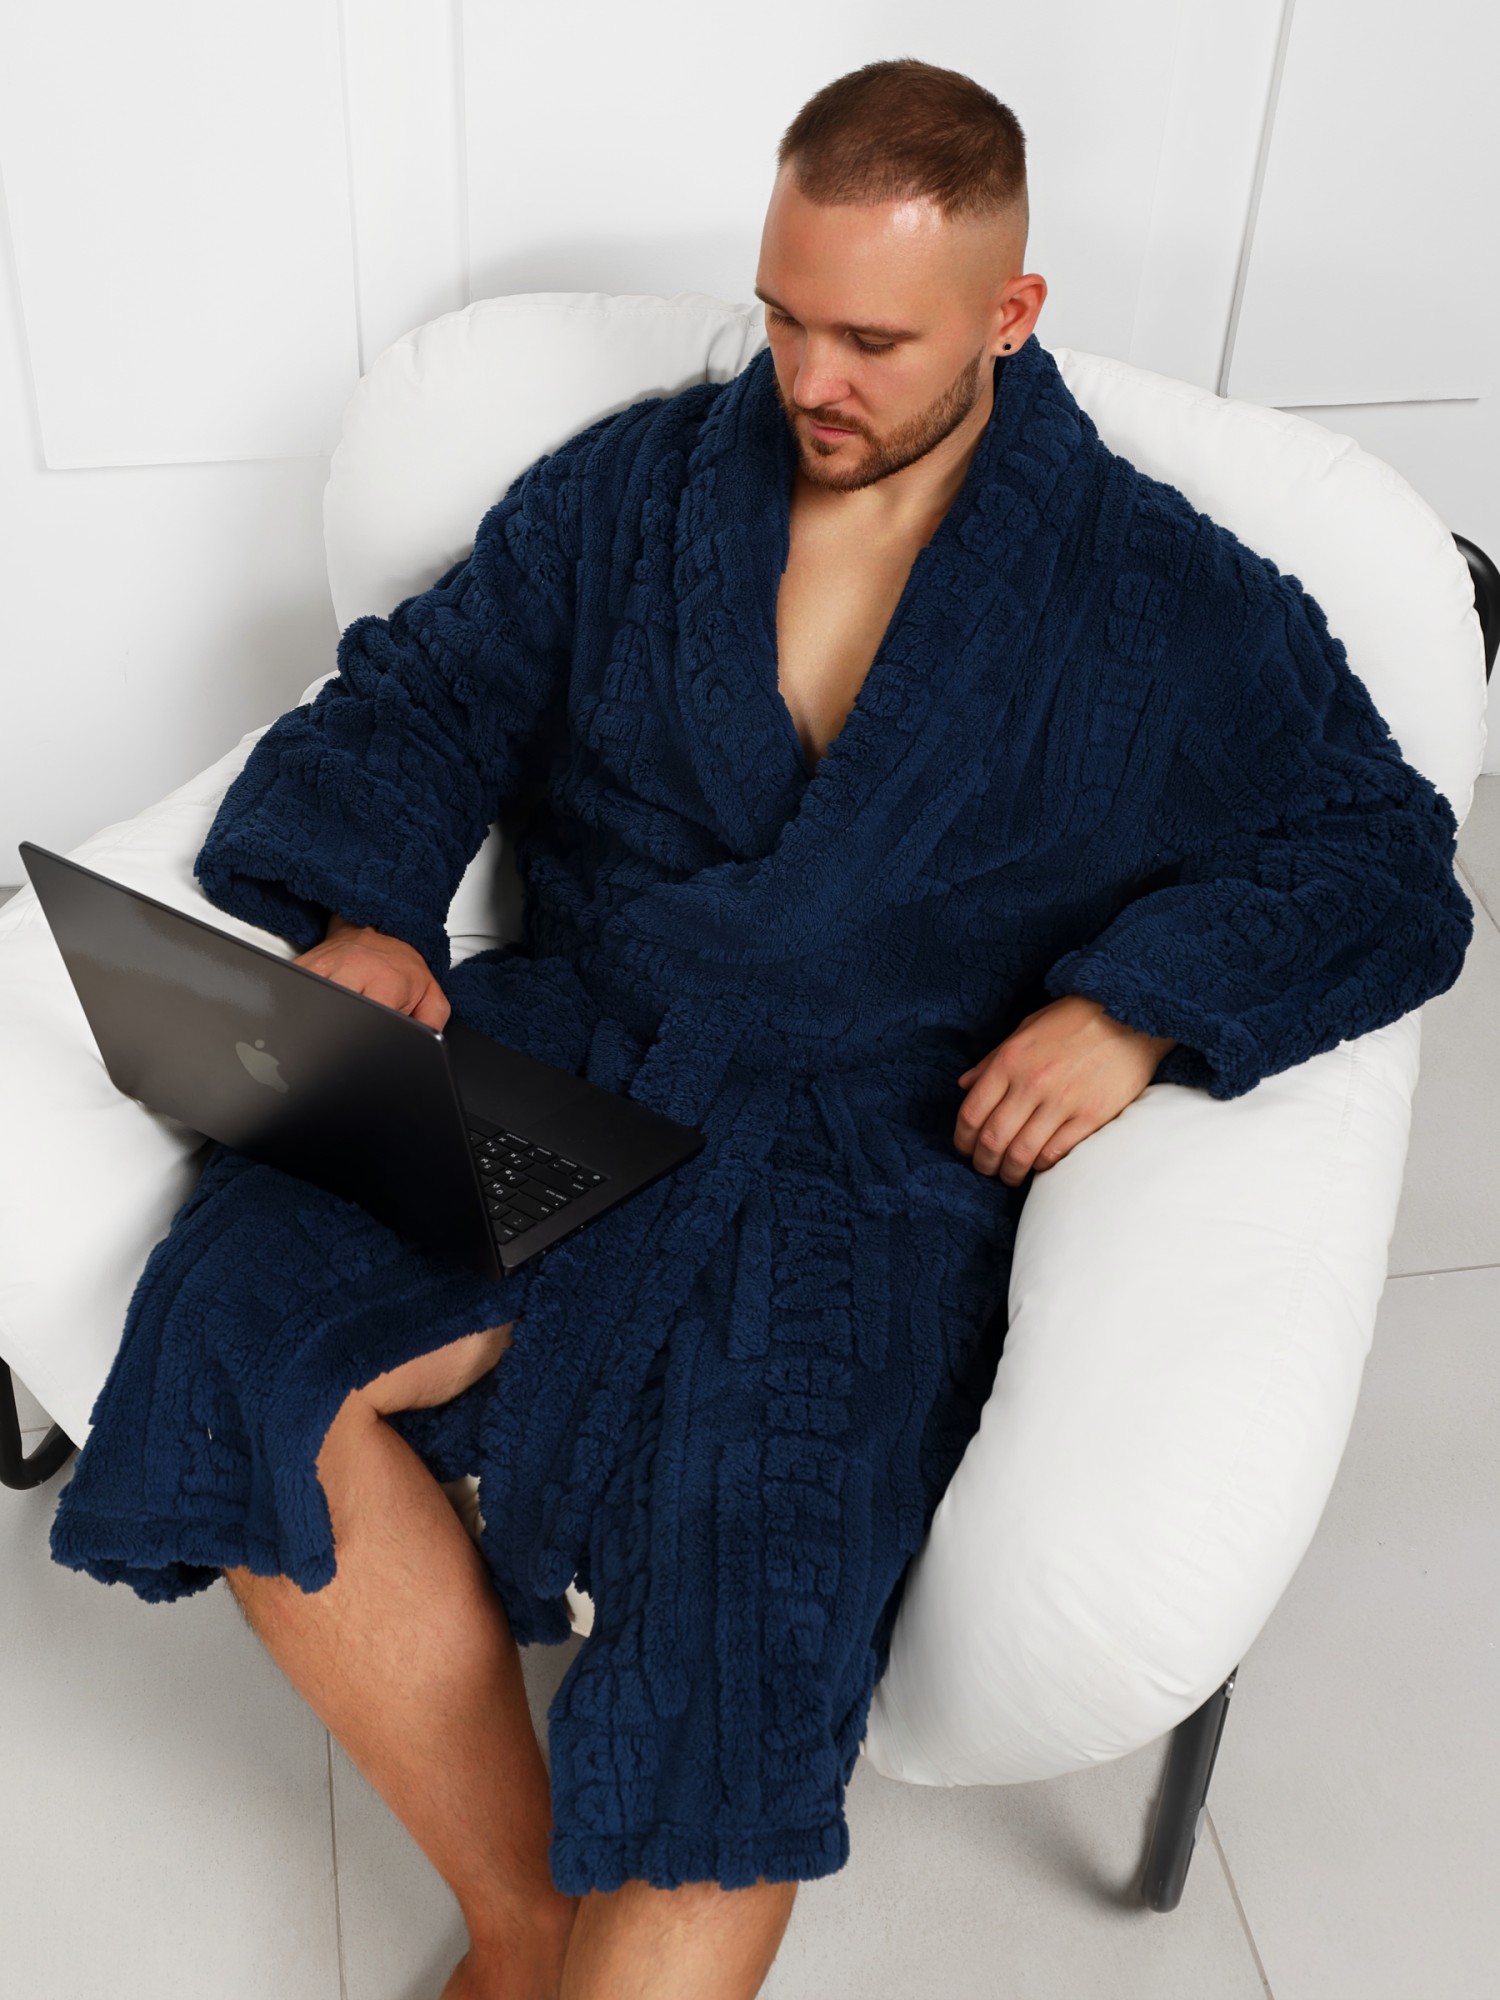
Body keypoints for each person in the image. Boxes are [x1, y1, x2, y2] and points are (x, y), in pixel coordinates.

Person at [48, 56, 1473, 2000]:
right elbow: (426, 693)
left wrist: (1135, 1010)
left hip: (865, 1170)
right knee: (237, 1320)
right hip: (576, 1042)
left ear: (1011, 311)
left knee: (745, 1649)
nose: (811, 377)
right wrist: (370, 916)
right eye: (787, 316)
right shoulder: (640, 491)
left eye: (875, 340)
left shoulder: (1156, 598)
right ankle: (520, 1925)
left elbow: (1383, 854)